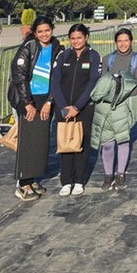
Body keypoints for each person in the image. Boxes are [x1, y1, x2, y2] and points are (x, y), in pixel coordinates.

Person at [8, 15, 63, 201]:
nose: (44, 34)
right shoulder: (28, 47)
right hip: (28, 100)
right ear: (34, 32)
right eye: (40, 31)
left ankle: (32, 180)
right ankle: (23, 184)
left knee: (40, 142)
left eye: (47, 30)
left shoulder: (57, 47)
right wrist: (27, 104)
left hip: (45, 99)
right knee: (27, 143)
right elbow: (19, 76)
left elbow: (58, 78)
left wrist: (49, 101)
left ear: (52, 30)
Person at [90, 28, 137, 191]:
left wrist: (121, 94)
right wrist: (110, 96)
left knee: (122, 139)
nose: (123, 44)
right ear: (116, 42)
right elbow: (101, 84)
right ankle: (108, 175)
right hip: (107, 106)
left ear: (131, 41)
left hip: (125, 106)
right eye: (120, 41)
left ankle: (120, 173)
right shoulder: (108, 59)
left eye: (126, 40)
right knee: (107, 143)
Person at [50, 23, 101, 196]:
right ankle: (66, 181)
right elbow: (55, 82)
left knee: (81, 144)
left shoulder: (94, 56)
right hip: (63, 108)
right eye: (73, 38)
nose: (76, 41)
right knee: (65, 144)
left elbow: (93, 82)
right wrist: (64, 106)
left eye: (79, 37)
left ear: (86, 37)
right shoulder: (63, 56)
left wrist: (78, 107)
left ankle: (79, 180)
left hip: (83, 108)